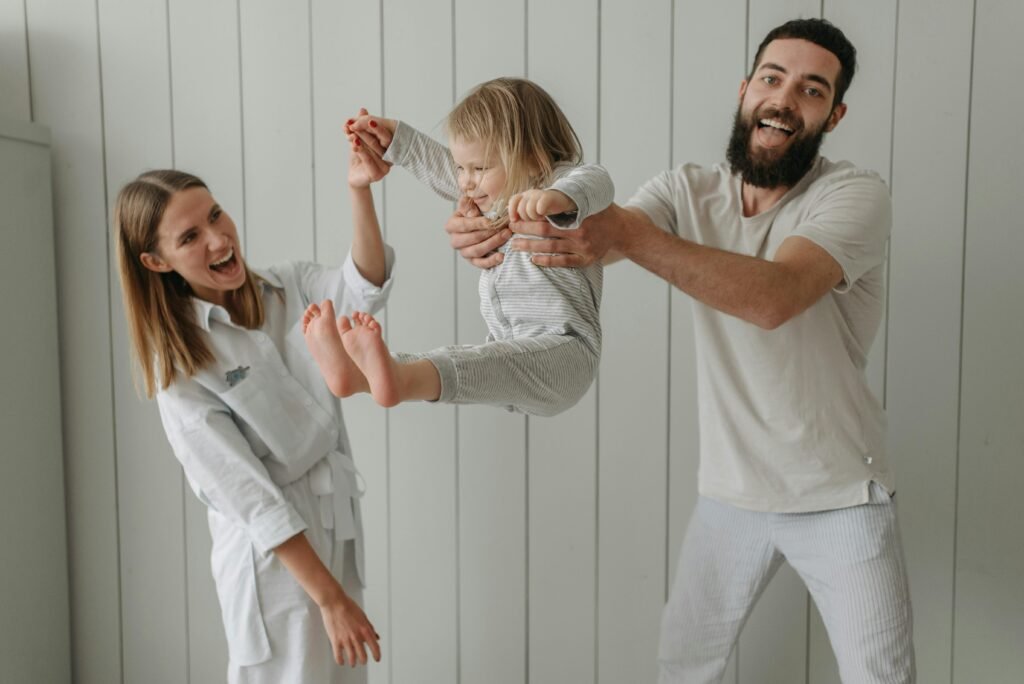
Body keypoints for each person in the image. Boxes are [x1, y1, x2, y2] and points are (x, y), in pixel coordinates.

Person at [443, 19, 915, 684]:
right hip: (730, 495)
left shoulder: (854, 195)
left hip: (840, 494)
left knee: (880, 675)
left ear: (833, 114)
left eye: (811, 90)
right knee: (682, 668)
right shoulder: (686, 190)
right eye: (773, 79)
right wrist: (488, 221)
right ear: (746, 88)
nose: (784, 99)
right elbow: (595, 233)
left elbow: (774, 298)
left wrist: (628, 239)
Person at [114, 154, 393, 683]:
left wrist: (359, 189)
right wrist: (329, 599)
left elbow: (366, 286)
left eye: (216, 216)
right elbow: (249, 496)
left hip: (336, 529)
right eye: (190, 237)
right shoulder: (179, 367)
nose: (219, 240)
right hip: (277, 569)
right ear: (156, 261)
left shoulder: (289, 287)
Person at [303, 77, 613, 417]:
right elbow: (439, 166)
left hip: (566, 350)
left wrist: (556, 198)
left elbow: (597, 181)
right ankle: (362, 375)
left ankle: (398, 378)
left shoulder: (556, 184)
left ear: (534, 159)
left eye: (479, 168)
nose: (465, 181)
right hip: (508, 346)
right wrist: (395, 139)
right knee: (467, 363)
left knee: (476, 363)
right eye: (460, 168)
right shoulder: (496, 195)